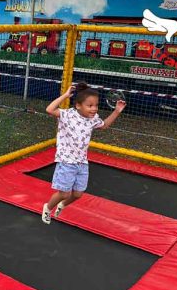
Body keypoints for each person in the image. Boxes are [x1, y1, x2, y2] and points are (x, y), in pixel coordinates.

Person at [42, 82, 126, 224]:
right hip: (66, 161)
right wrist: (66, 95)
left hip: (82, 162)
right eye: (90, 105)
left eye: (96, 105)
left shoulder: (93, 119)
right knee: (64, 193)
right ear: (78, 105)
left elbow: (104, 125)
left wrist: (116, 111)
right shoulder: (67, 114)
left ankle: (62, 205)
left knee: (77, 194)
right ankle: (48, 207)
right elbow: (50, 109)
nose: (94, 109)